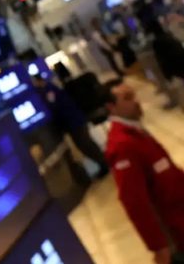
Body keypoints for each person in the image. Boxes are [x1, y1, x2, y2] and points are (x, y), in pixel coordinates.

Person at [103, 80, 184, 264]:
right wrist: (158, 247)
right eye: (128, 98)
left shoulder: (135, 131)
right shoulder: (122, 145)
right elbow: (134, 201)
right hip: (177, 228)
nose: (136, 101)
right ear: (111, 107)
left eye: (134, 95)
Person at [33, 75, 109, 177]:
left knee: (85, 145)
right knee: (85, 145)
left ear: (39, 81)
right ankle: (103, 163)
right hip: (74, 121)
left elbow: (54, 105)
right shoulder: (50, 89)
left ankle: (104, 164)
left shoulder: (49, 90)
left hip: (74, 122)